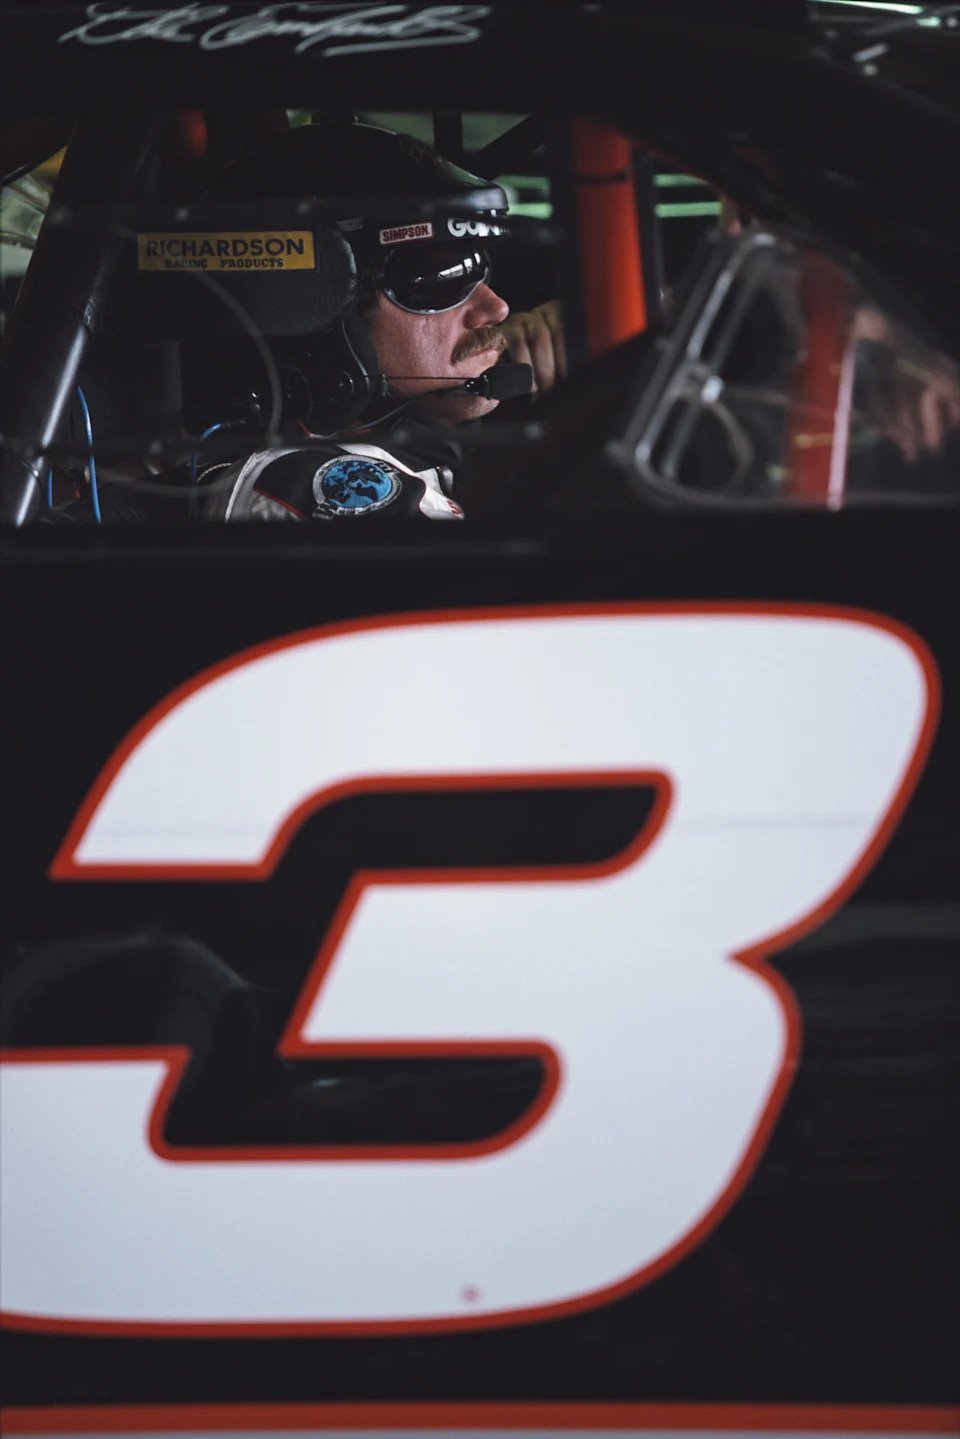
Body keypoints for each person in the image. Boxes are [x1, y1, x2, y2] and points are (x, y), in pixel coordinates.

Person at [201, 121, 526, 521]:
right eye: (442, 277)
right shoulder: (308, 483)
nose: (497, 309)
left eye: (478, 266)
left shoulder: (424, 456)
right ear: (314, 304)